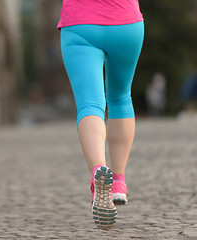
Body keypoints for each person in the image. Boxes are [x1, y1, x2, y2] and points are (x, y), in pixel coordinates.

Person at [58, 0, 144, 229]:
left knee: (90, 104)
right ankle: (118, 183)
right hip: (126, 22)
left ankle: (99, 170)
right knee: (120, 98)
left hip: (80, 23)